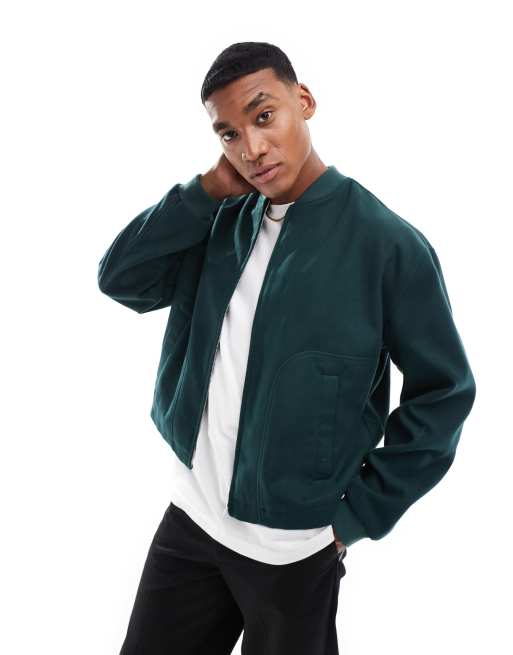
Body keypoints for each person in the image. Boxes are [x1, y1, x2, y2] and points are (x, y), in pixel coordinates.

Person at [97, 41, 477, 655]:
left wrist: (358, 516)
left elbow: (445, 394)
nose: (251, 147)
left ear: (304, 101)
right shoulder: (220, 218)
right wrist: (205, 190)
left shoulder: (386, 244)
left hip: (292, 550)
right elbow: (122, 280)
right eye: (229, 133)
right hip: (193, 519)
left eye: (264, 115)